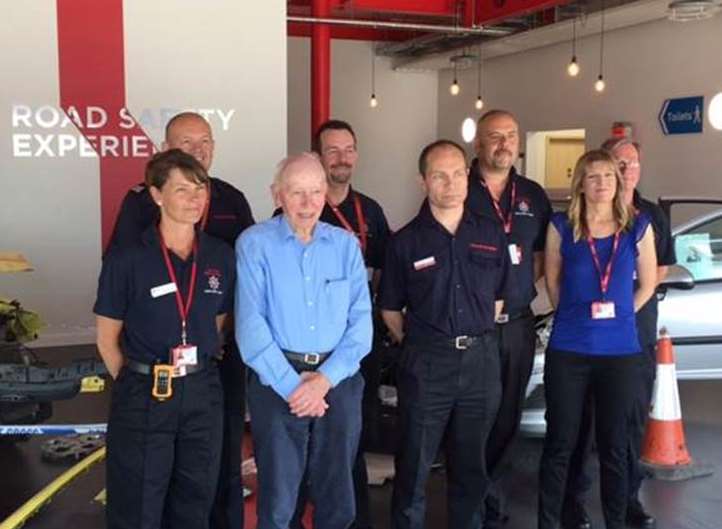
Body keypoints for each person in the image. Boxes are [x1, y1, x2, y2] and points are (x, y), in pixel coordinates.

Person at [107, 111, 254, 529]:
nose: (199, 150)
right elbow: (118, 295)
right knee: (143, 482)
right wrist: (134, 376)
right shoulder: (138, 202)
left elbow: (237, 281)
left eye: (205, 141)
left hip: (210, 365)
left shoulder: (231, 199)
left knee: (211, 463)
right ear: (166, 149)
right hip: (150, 373)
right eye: (188, 143)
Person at [235, 152, 372, 529]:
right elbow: (250, 327)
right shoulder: (254, 244)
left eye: (315, 192)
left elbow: (361, 327)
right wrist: (295, 388)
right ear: (277, 195)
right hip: (277, 382)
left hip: (338, 382)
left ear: (326, 193)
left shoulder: (346, 246)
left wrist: (323, 381)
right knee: (279, 500)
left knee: (337, 495)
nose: (308, 203)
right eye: (296, 193)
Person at [379, 140, 508, 529]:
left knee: (471, 468)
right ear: (423, 182)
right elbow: (389, 310)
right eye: (439, 175)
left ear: (468, 178)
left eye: (457, 174)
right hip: (427, 364)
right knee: (414, 466)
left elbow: (499, 299)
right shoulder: (404, 241)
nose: (450, 183)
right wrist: (427, 343)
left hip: (480, 365)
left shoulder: (490, 233)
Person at [539, 149, 658, 529]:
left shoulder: (637, 226)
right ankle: (549, 522)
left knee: (614, 447)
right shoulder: (562, 226)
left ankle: (616, 522)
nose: (602, 183)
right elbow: (553, 281)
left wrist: (622, 313)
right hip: (570, 350)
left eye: (609, 175)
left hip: (619, 352)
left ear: (618, 181)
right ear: (581, 184)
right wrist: (574, 315)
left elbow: (649, 281)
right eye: (593, 176)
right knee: (561, 444)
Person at [562, 139, 675, 529]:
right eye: (618, 163)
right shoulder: (577, 221)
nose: (626, 170)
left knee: (627, 426)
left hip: (632, 336)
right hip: (584, 338)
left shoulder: (651, 217)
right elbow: (560, 281)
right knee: (581, 428)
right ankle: (573, 503)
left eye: (632, 163)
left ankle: (628, 501)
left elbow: (658, 273)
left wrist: (622, 313)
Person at [288, 119, 391, 529]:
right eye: (332, 150)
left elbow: (385, 270)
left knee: (350, 439)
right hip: (298, 351)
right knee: (298, 442)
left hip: (353, 346)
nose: (342, 158)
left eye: (348, 149)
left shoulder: (371, 210)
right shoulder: (293, 211)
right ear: (317, 157)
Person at [466, 109, 552, 527]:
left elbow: (539, 257)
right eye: (494, 136)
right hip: (472, 328)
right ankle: (469, 499)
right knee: (471, 416)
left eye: (511, 136)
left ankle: (491, 496)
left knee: (507, 416)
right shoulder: (458, 188)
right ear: (478, 144)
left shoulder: (532, 195)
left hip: (516, 325)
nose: (503, 144)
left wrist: (514, 293)